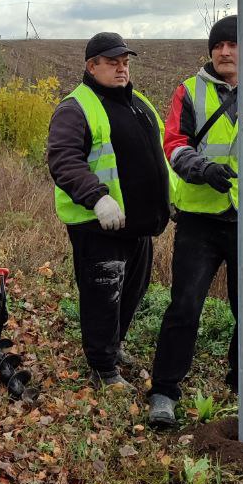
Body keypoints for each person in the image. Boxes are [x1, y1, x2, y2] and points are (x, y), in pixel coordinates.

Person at [148, 14, 243, 426]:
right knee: (183, 306)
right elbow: (174, 144)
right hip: (201, 219)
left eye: (233, 44)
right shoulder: (189, 91)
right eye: (218, 45)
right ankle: (164, 392)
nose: (224, 51)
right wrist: (202, 169)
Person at [48, 31, 172, 388]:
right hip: (99, 225)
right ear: (92, 65)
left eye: (126, 62)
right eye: (113, 62)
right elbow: (64, 160)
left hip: (139, 224)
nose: (122, 69)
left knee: (131, 292)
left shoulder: (139, 103)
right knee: (102, 296)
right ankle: (103, 370)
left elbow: (159, 156)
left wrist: (170, 199)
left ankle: (113, 347)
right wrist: (98, 198)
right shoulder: (76, 107)